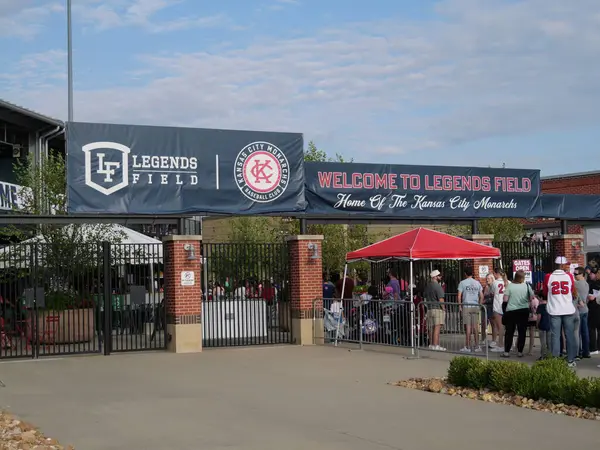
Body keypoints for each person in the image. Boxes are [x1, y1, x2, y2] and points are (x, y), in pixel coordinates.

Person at [543, 256, 578, 367]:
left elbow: (544, 292)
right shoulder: (569, 276)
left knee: (555, 336)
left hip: (554, 309)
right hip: (568, 308)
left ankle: (555, 359)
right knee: (570, 335)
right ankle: (571, 360)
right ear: (562, 266)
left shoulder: (549, 276)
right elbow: (572, 290)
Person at [502, 270, 535, 357]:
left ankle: (506, 352)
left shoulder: (510, 286)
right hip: (523, 311)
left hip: (511, 311)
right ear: (523, 278)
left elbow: (505, 300)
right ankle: (520, 352)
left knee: (509, 332)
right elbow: (532, 298)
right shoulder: (527, 286)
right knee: (522, 332)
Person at [457, 266, 484, 353]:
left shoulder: (462, 283)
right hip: (475, 305)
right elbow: (481, 295)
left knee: (468, 327)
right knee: (475, 327)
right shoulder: (477, 283)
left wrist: (460, 306)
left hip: (466, 305)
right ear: (472, 273)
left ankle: (467, 346)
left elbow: (459, 295)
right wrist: (480, 305)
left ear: (465, 274)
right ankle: (477, 346)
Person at [424, 270, 446, 351]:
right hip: (437, 308)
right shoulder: (438, 286)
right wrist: (443, 308)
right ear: (435, 277)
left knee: (431, 328)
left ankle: (431, 344)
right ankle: (436, 345)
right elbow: (441, 299)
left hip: (429, 309)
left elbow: (425, 297)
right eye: (438, 275)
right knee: (437, 327)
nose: (440, 277)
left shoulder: (428, 286)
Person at [490, 269, 508, 352]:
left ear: (497, 274)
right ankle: (507, 343)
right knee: (505, 327)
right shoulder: (508, 282)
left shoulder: (495, 283)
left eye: (494, 273)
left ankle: (501, 345)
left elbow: (492, 292)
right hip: (506, 306)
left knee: (500, 327)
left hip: (498, 306)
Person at [574, 267, 590, 359]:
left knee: (577, 333)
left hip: (578, 310)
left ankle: (578, 352)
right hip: (585, 309)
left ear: (581, 274)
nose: (574, 275)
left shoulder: (576, 284)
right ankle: (586, 352)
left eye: (576, 274)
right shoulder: (586, 284)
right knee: (585, 331)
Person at [587, 268, 600, 356]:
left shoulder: (596, 284)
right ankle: (595, 347)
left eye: (591, 274)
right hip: (594, 306)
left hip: (595, 307)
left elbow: (593, 296)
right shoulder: (591, 283)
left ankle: (594, 347)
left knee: (593, 327)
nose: (590, 275)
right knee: (595, 328)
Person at [483, 274, 497, 347]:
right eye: (486, 278)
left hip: (492, 307)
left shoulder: (494, 286)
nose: (487, 279)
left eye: (488, 278)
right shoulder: (486, 287)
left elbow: (494, 297)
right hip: (487, 307)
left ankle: (494, 340)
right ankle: (485, 338)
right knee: (485, 323)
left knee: (493, 324)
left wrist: (485, 301)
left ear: (492, 279)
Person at [536, 291, 551, 359]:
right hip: (549, 325)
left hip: (542, 325)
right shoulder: (550, 305)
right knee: (549, 342)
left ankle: (543, 356)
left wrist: (537, 324)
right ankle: (549, 355)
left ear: (541, 298)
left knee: (543, 342)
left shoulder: (540, 306)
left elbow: (539, 316)